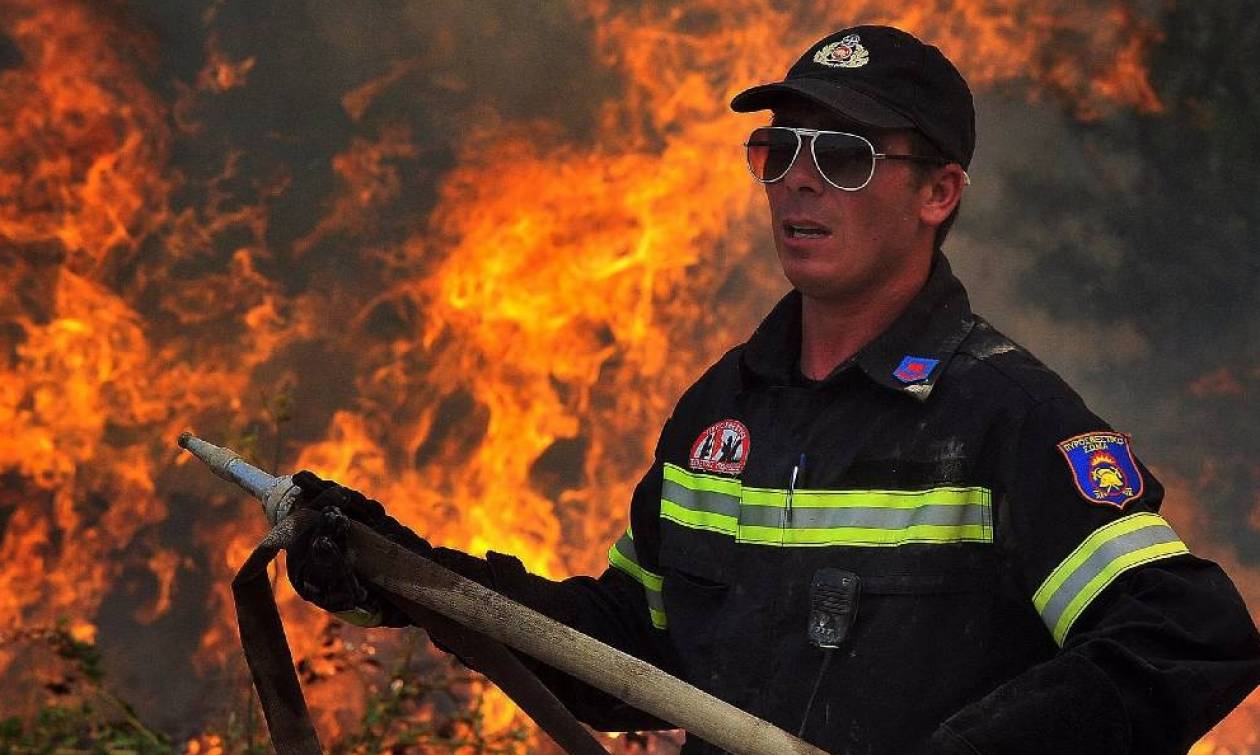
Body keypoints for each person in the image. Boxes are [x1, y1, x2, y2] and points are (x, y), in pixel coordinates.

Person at [287, 26, 1260, 754]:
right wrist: (413, 578)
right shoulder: (722, 415)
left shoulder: (1004, 420)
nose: (797, 183)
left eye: (843, 157)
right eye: (777, 150)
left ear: (938, 193)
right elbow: (629, 649)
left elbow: (1187, 633)